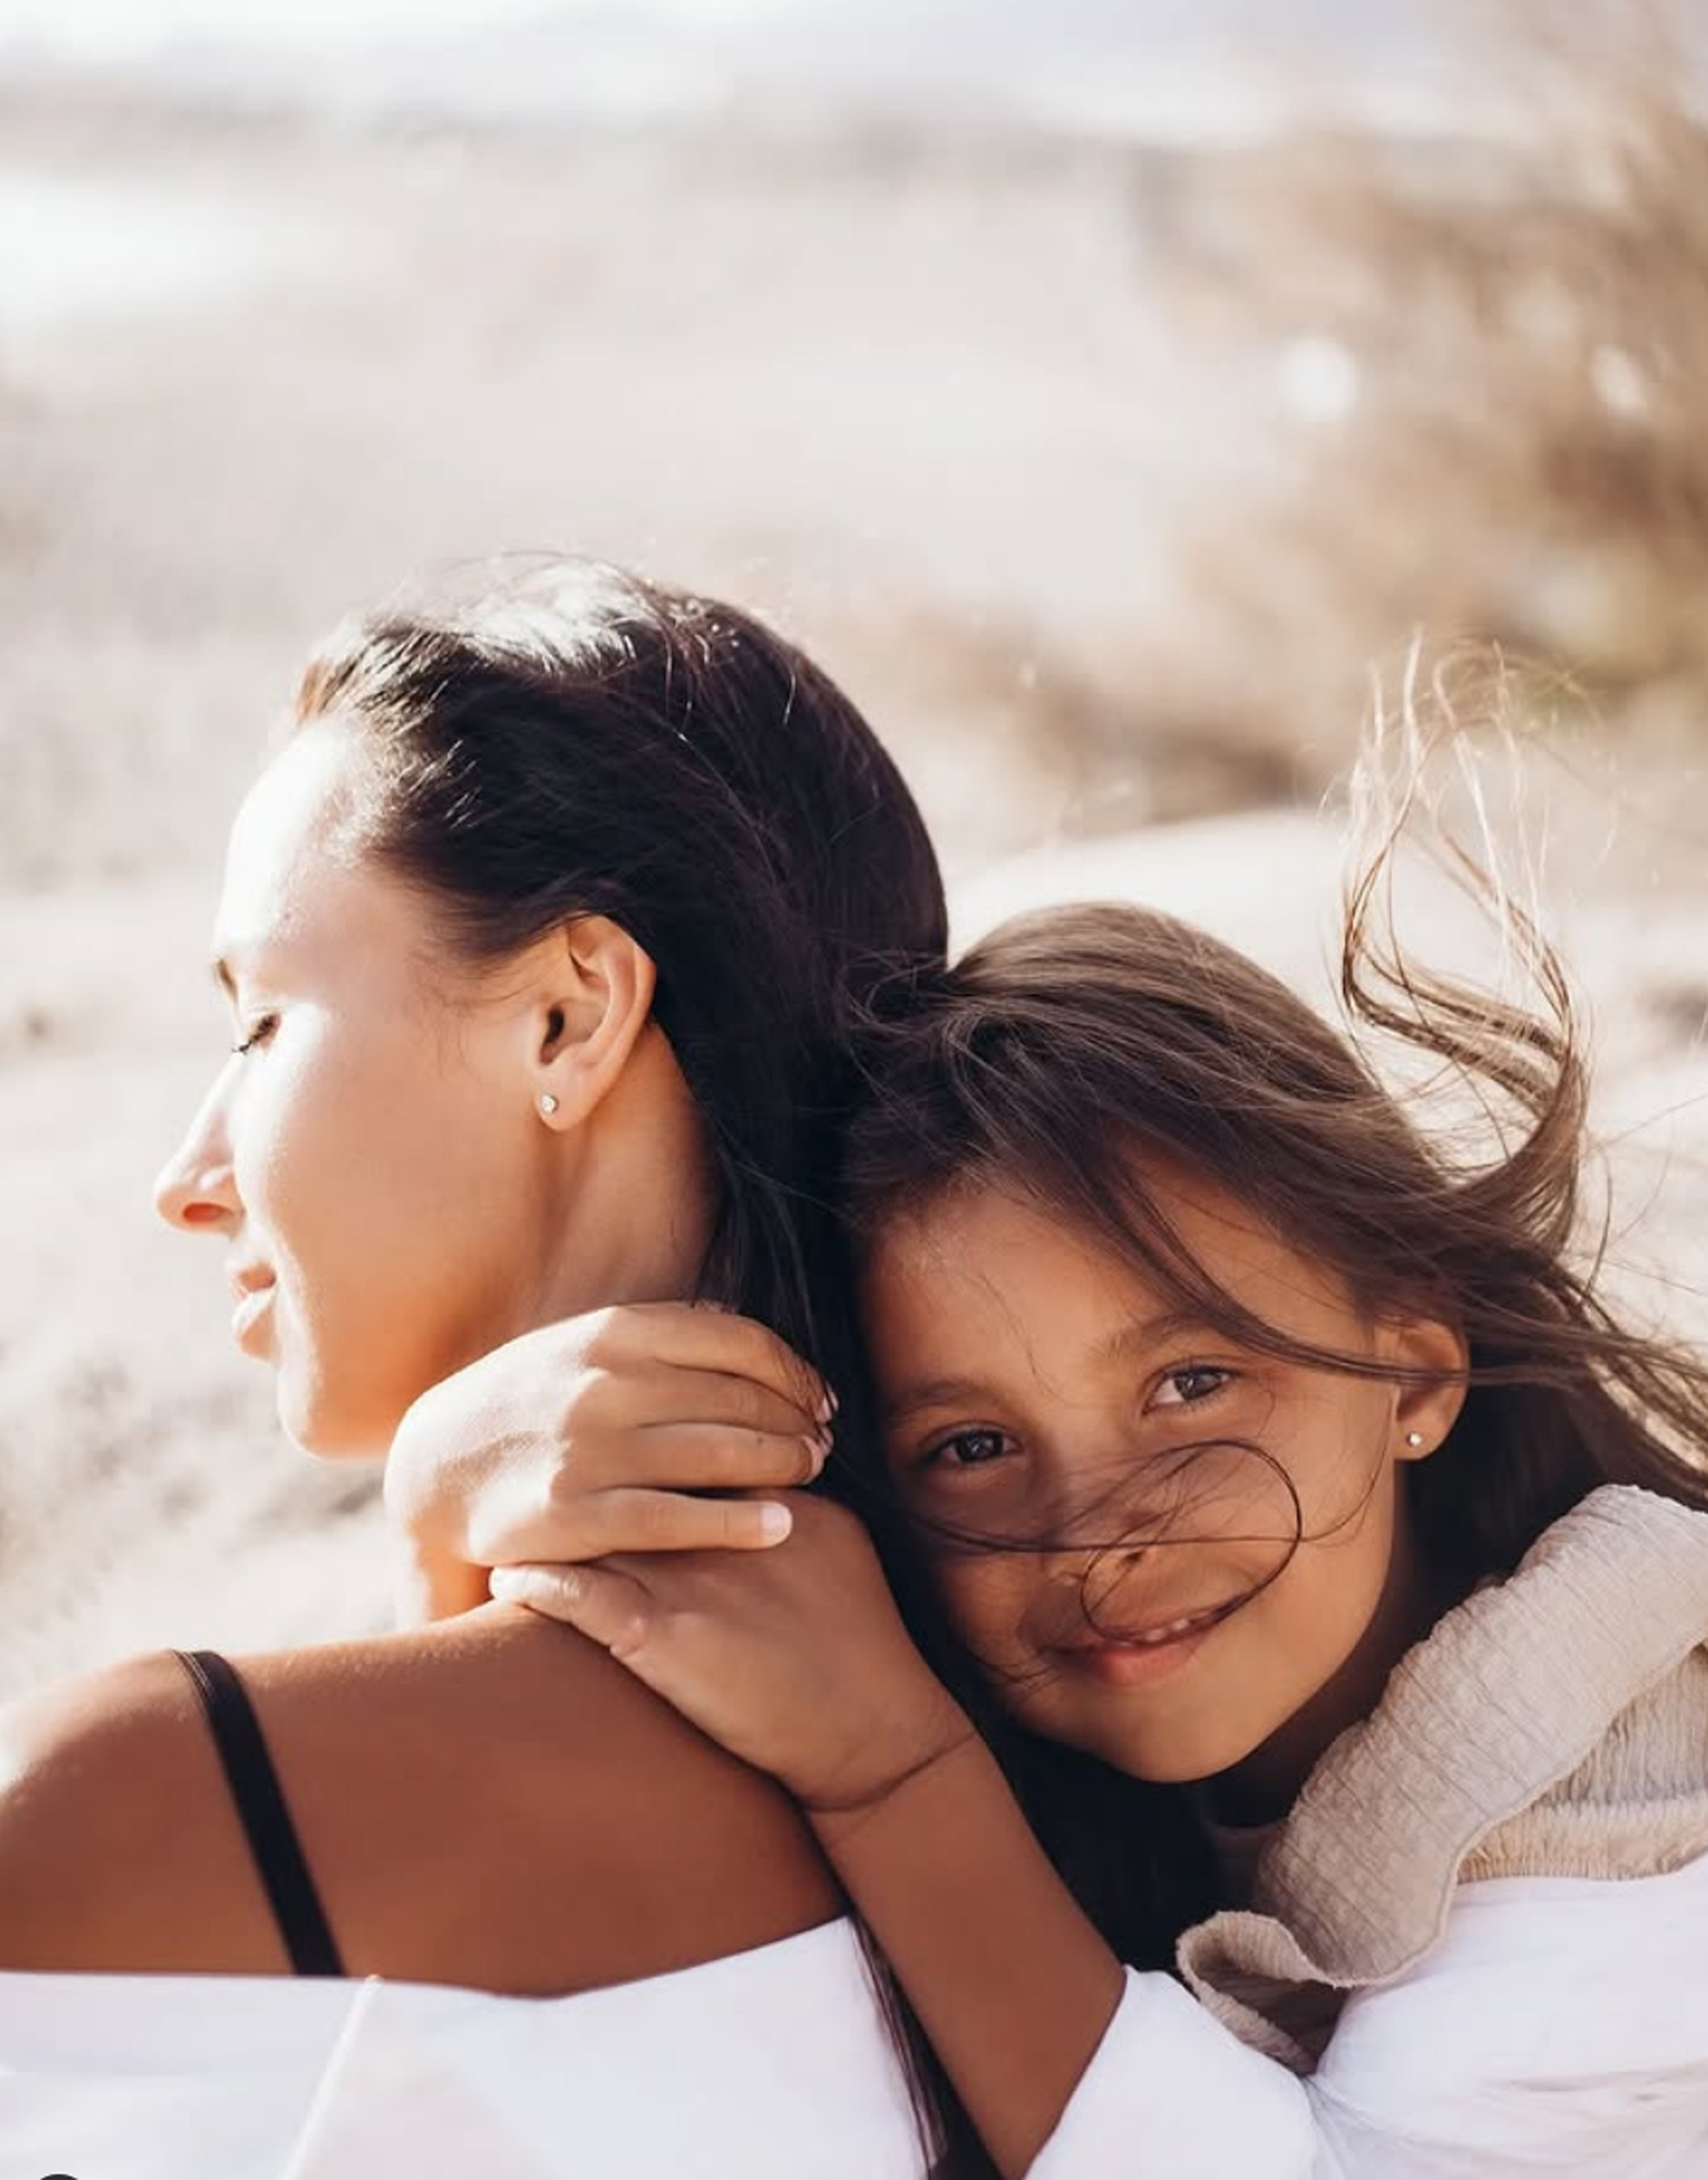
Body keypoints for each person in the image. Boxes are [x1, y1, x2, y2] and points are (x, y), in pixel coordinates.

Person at [402, 728, 1708, 2178]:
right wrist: (441, 1528)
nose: (1093, 1530)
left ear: (1413, 1369)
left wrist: (896, 1777)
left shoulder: (1625, 1779)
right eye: (969, 1445)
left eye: (1193, 1381)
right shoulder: (1144, 1789)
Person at [0, 560, 952, 2179]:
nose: (189, 1172)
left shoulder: (142, 1799)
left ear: (568, 1020)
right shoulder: (1049, 1735)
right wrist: (438, 1552)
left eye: (262, 1024)